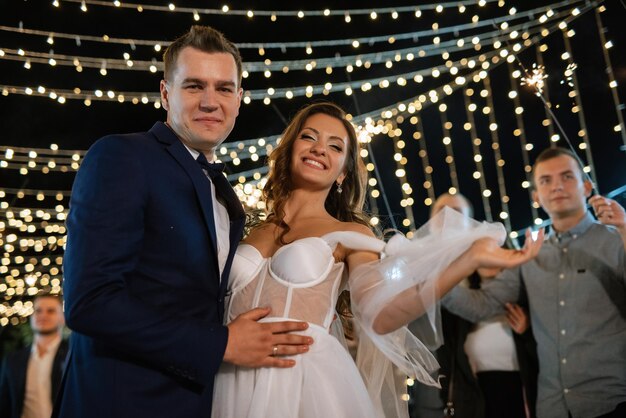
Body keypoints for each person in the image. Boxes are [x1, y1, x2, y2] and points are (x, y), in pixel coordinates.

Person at [211, 102, 544, 418]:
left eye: (335, 146)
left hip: (299, 379)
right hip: (227, 374)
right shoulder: (242, 228)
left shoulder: (352, 233)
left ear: (343, 173)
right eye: (309, 137)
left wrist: (467, 260)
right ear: (288, 151)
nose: (319, 149)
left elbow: (382, 316)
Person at [55, 26, 312, 418]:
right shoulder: (122, 157)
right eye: (194, 86)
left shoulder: (224, 195)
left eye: (225, 88)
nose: (211, 101)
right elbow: (91, 302)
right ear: (165, 94)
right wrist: (220, 345)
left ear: (240, 100)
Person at [443, 147, 626, 418]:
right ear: (537, 196)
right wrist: (434, 282)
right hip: (551, 406)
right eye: (546, 181)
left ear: (587, 186)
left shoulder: (616, 239)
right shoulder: (531, 254)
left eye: (566, 177)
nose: (557, 187)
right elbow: (484, 305)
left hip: (612, 400)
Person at [410, 193, 538, 418]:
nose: (448, 217)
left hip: (513, 383)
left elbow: (480, 306)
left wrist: (432, 283)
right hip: (455, 387)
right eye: (441, 211)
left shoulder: (493, 278)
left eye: (457, 212)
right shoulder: (421, 263)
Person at [0, 294, 68, 418]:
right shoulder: (13, 360)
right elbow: (5, 405)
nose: (43, 315)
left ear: (62, 318)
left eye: (51, 311)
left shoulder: (72, 356)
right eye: (38, 310)